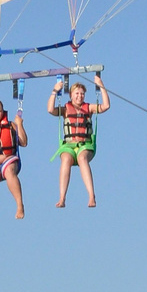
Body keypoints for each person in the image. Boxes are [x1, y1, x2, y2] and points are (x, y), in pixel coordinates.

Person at [48, 74, 109, 208]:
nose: (79, 96)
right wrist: (54, 91)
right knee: (66, 159)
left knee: (82, 158)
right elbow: (50, 110)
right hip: (68, 145)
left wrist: (101, 86)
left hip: (85, 145)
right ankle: (62, 198)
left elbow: (106, 106)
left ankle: (91, 195)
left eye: (82, 94)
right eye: (77, 93)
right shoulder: (65, 110)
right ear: (71, 95)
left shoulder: (89, 108)